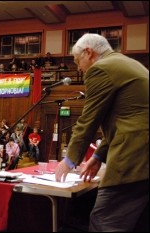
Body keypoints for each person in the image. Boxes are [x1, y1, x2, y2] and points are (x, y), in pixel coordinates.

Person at [55, 33, 149, 232]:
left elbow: (88, 120)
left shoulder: (101, 69)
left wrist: (70, 159)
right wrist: (98, 156)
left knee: (104, 221)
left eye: (77, 60)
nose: (78, 68)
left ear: (89, 52)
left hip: (135, 158)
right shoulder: (129, 64)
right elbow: (128, 120)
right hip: (143, 156)